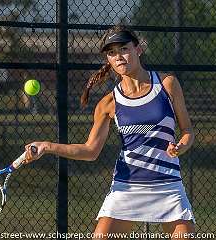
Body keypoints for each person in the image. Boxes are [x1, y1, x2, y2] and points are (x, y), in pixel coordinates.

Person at [24, 25, 195, 240]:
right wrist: (47, 146)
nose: (119, 57)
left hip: (168, 185)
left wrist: (181, 145)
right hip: (127, 187)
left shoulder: (167, 84)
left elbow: (187, 130)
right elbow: (90, 150)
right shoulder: (108, 103)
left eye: (123, 49)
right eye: (112, 53)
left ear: (138, 49)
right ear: (108, 60)